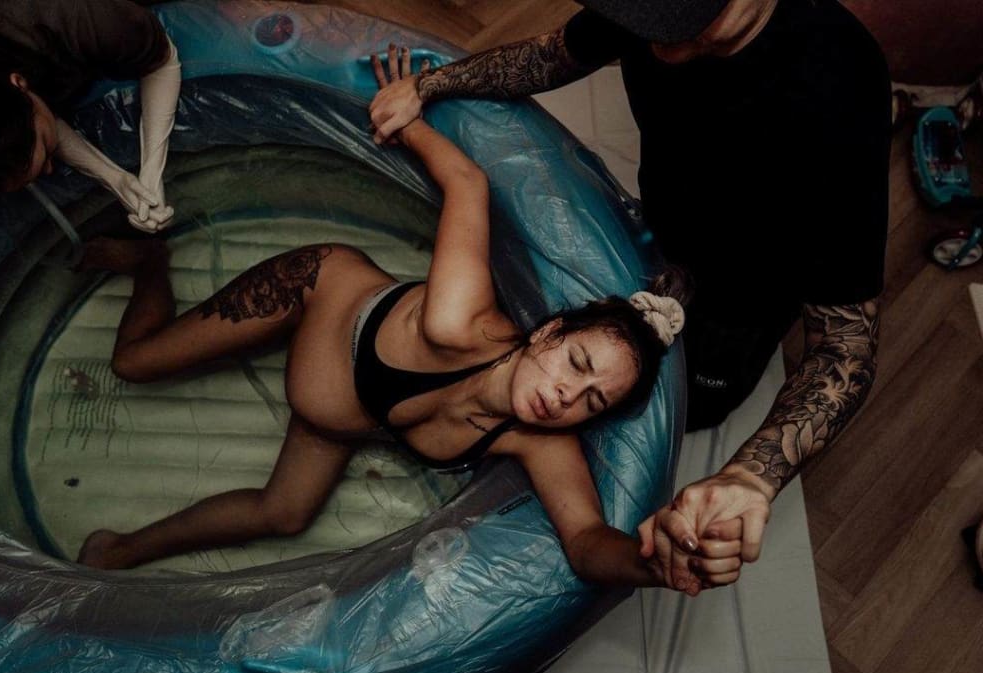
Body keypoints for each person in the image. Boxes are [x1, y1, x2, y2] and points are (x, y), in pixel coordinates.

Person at [75, 50, 740, 587]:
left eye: (591, 400)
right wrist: (410, 109)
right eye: (577, 362)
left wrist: (651, 564)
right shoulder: (458, 320)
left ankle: (125, 548)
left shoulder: (538, 437)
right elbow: (469, 184)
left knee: (284, 514)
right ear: (547, 332)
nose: (567, 394)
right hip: (318, 292)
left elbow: (587, 541)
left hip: (342, 413)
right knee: (134, 363)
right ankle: (151, 264)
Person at [369, 0, 889, 597]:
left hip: (736, 310)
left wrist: (750, 476)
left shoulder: (837, 88)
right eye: (649, 28)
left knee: (682, 403)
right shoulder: (648, 10)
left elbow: (845, 346)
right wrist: (428, 86)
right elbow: (553, 55)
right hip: (659, 236)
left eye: (687, 30)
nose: (660, 51)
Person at [0, 0, 181, 232]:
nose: (50, 170)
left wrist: (152, 168)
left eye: (46, 150)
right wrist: (114, 179)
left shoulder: (79, 18)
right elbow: (32, 120)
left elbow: (161, 58)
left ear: (20, 83)